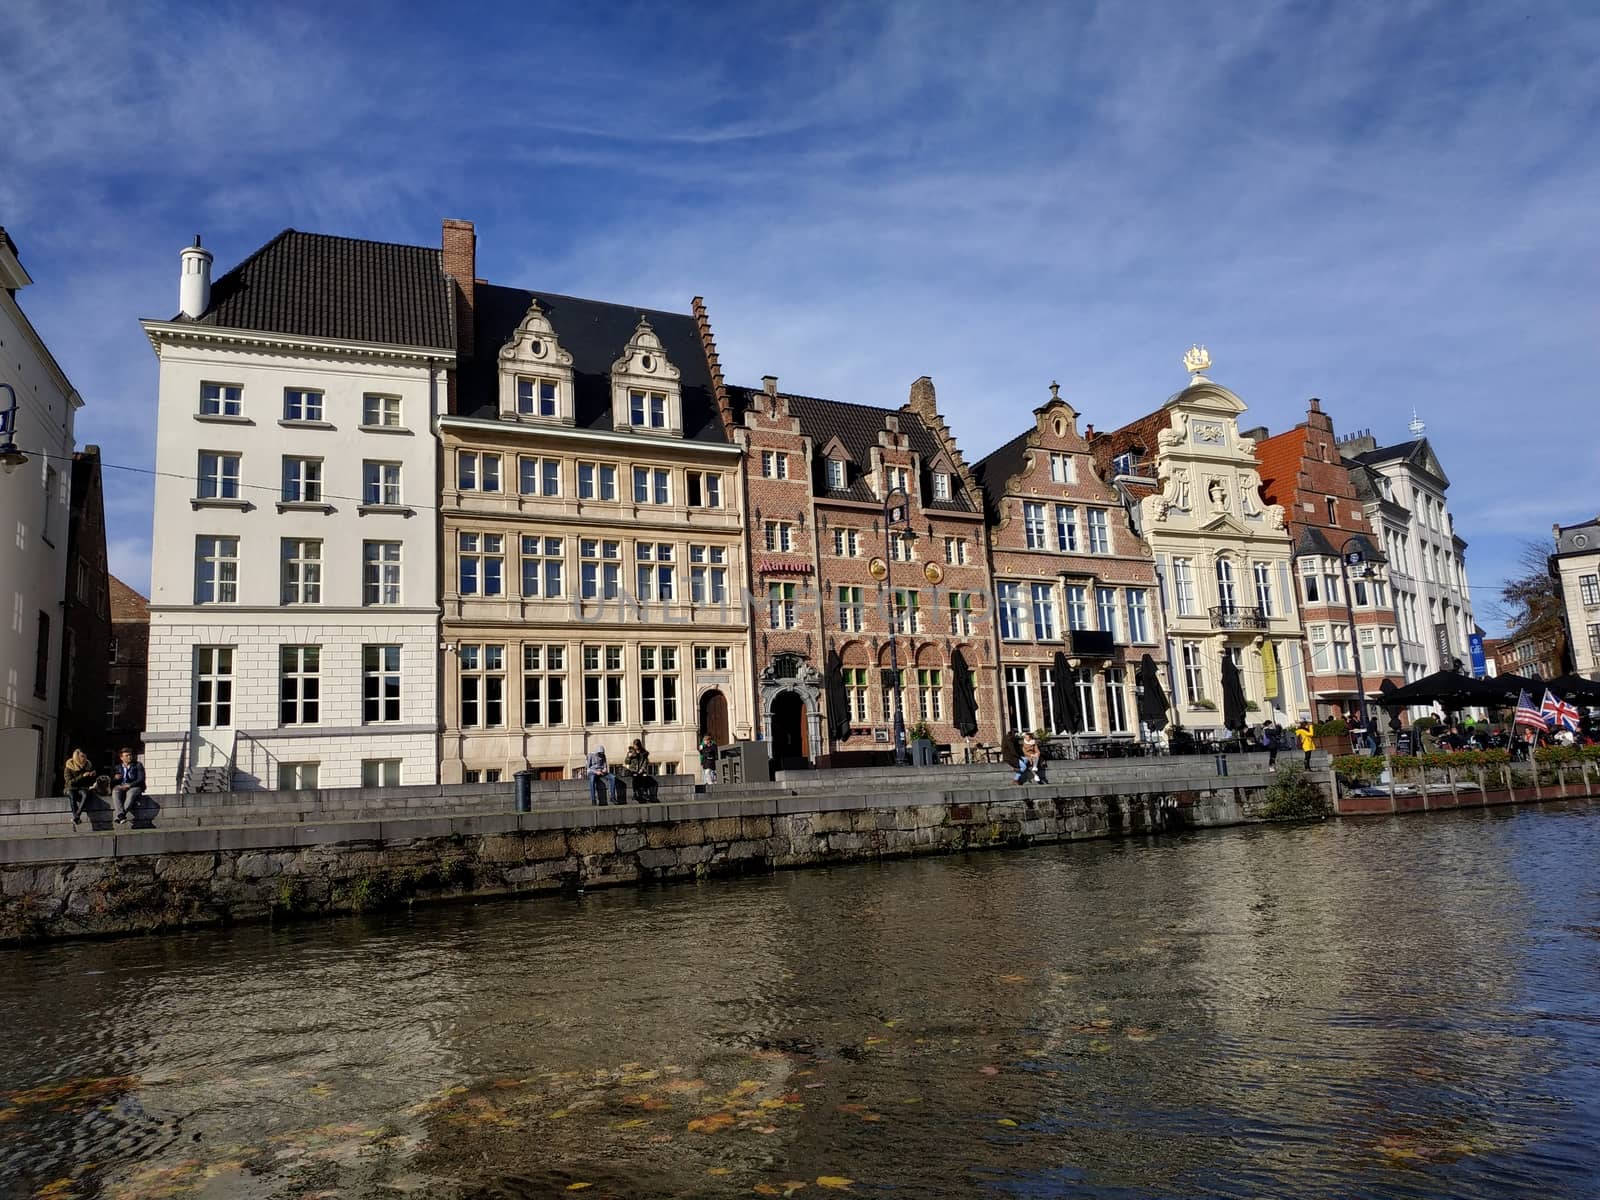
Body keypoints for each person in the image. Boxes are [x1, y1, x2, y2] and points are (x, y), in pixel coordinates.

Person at [109, 747, 146, 825]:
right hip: (121, 786)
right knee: (115, 790)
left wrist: (130, 785)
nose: (129, 757)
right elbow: (111, 782)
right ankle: (121, 815)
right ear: (121, 757)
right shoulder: (117, 767)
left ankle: (120, 815)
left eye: (130, 755)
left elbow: (141, 779)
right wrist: (115, 779)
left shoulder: (137, 765)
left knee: (131, 793)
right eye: (127, 755)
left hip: (135, 786)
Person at [64, 748, 96, 827]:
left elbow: (89, 783)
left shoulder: (88, 765)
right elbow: (69, 782)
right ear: (77, 757)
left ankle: (77, 815)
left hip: (82, 788)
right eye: (82, 756)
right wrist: (82, 776)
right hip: (71, 788)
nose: (84, 759)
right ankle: (76, 817)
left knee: (85, 794)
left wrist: (92, 776)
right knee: (72, 795)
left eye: (85, 757)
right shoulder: (69, 767)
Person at [623, 738, 654, 804]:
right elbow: (626, 762)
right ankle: (635, 792)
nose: (635, 747)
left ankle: (645, 792)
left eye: (636, 746)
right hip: (633, 770)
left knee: (645, 776)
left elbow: (645, 762)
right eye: (634, 745)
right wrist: (629, 757)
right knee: (635, 776)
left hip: (641, 770)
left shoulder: (643, 753)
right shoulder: (631, 752)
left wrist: (642, 769)